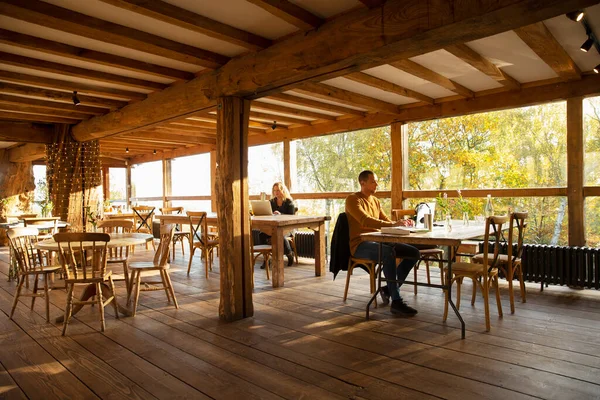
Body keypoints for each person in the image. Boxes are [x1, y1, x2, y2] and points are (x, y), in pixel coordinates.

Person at [345, 170, 420, 316]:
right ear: (362, 183)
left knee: (413, 253)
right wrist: (393, 225)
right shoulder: (353, 199)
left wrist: (402, 223)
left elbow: (386, 222)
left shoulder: (375, 201)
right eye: (373, 181)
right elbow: (364, 220)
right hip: (360, 245)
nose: (377, 184)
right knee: (388, 253)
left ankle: (388, 289)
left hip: (379, 242)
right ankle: (396, 301)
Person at [259, 182, 296, 267]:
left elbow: (292, 218)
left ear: (283, 190)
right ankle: (266, 259)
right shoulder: (271, 202)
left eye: (278, 190)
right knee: (261, 235)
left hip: (287, 228)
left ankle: (289, 254)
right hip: (273, 228)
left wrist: (280, 214)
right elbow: (266, 213)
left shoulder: (289, 202)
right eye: (274, 190)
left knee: (279, 234)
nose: (276, 192)